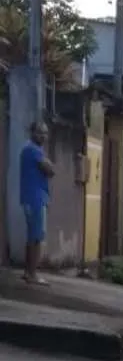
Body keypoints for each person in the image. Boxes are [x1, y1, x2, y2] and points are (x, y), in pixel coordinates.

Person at [20, 122, 54, 285]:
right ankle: (32, 274)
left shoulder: (31, 149)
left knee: (32, 237)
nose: (43, 136)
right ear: (32, 132)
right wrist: (49, 164)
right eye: (40, 133)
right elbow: (50, 170)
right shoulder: (33, 150)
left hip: (32, 197)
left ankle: (28, 272)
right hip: (35, 198)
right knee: (36, 237)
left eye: (45, 133)